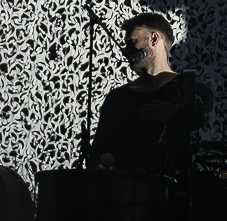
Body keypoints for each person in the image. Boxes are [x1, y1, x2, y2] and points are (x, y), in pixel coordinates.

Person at [87, 13, 208, 176]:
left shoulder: (191, 89)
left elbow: (201, 128)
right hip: (122, 188)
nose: (126, 50)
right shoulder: (117, 98)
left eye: (132, 41)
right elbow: (99, 153)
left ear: (154, 39)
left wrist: (177, 114)